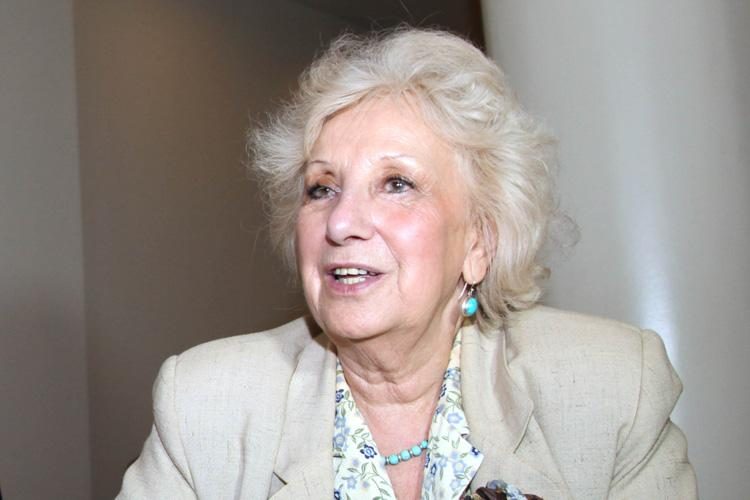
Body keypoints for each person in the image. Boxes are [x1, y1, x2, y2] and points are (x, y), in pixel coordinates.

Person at [118, 28, 697, 499]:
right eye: (322, 188)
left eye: (397, 183)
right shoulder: (205, 404)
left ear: (479, 242)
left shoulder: (610, 389)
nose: (341, 223)